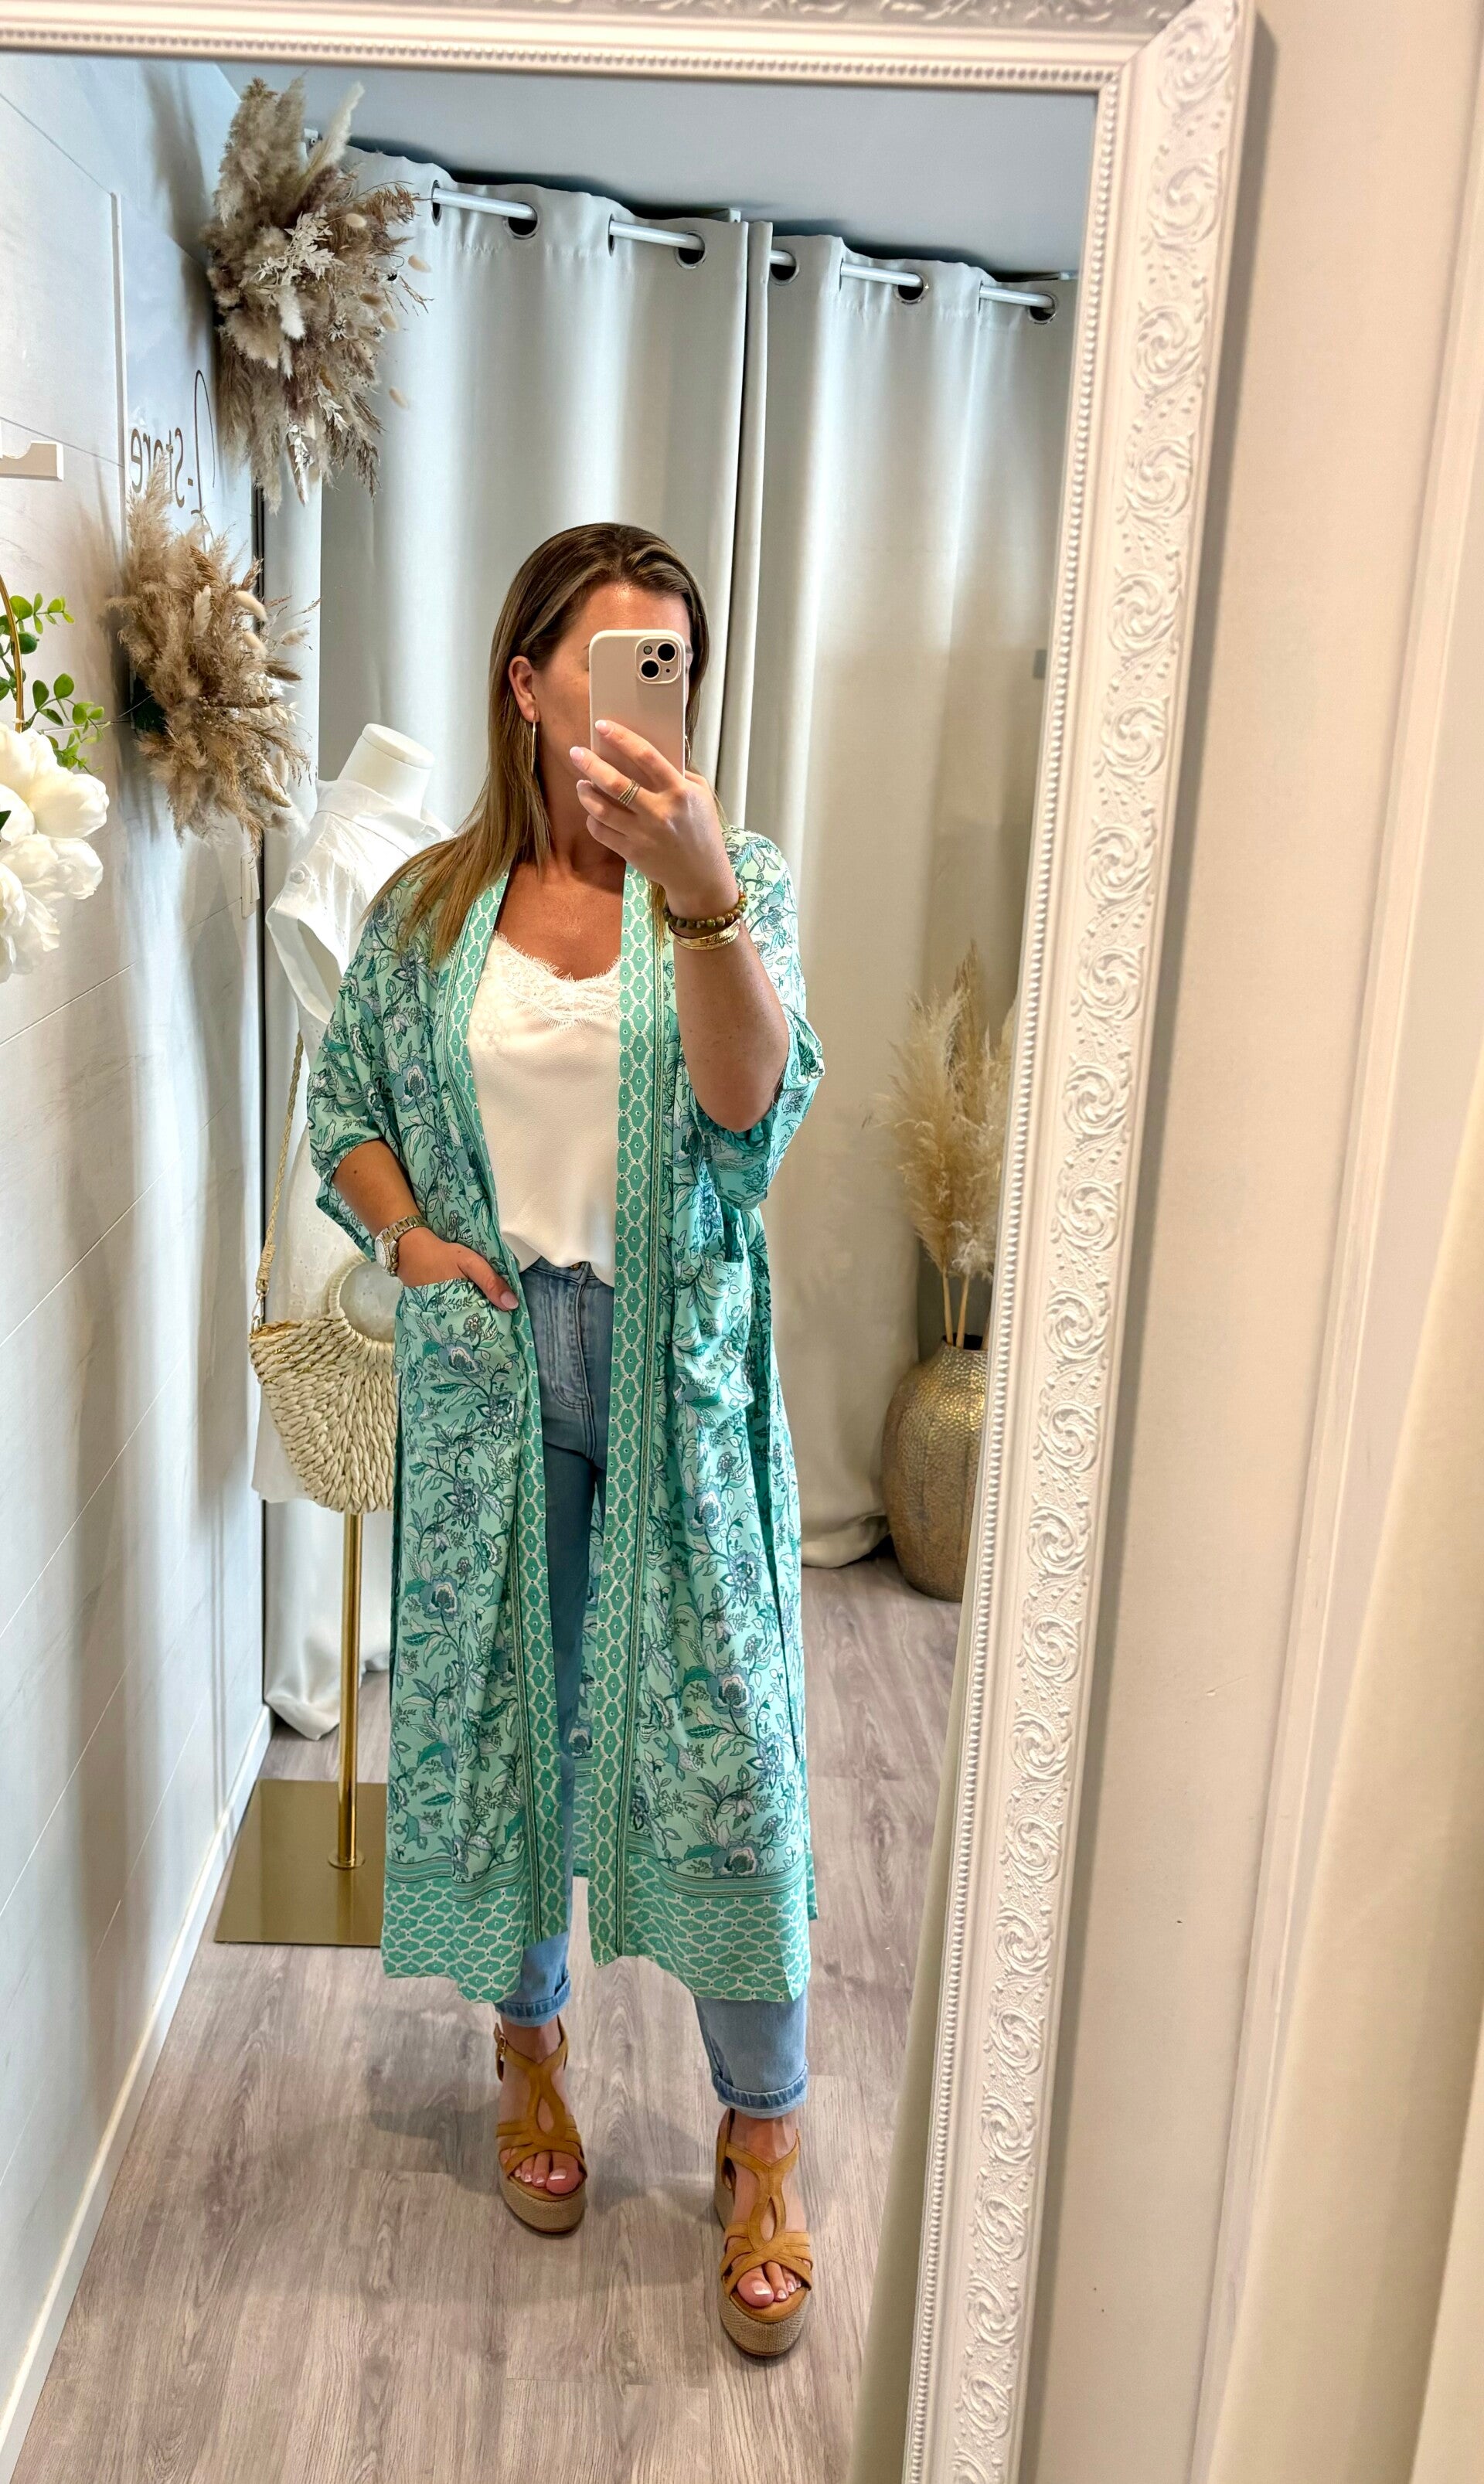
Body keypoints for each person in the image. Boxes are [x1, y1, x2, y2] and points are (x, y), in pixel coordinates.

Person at [306, 522, 823, 2357]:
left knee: (730, 1748)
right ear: (527, 682)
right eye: (608, 663)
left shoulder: (733, 878)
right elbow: (342, 1102)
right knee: (506, 1726)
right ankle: (529, 2052)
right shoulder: (427, 913)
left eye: (668, 667)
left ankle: (764, 2129)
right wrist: (407, 1242)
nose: (636, 703)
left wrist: (703, 895)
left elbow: (752, 1119)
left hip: (676, 1380)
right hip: (494, 1369)